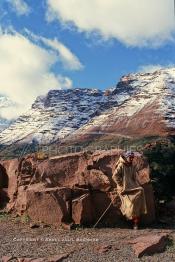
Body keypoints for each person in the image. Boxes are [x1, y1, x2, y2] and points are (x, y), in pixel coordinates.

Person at [112, 151, 147, 229]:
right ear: (126, 157)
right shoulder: (121, 165)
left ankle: (136, 223)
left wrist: (136, 184)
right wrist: (121, 185)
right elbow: (115, 176)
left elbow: (134, 178)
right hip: (124, 189)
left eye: (132, 157)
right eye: (130, 157)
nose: (131, 159)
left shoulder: (132, 166)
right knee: (131, 204)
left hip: (131, 187)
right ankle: (131, 222)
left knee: (141, 191)